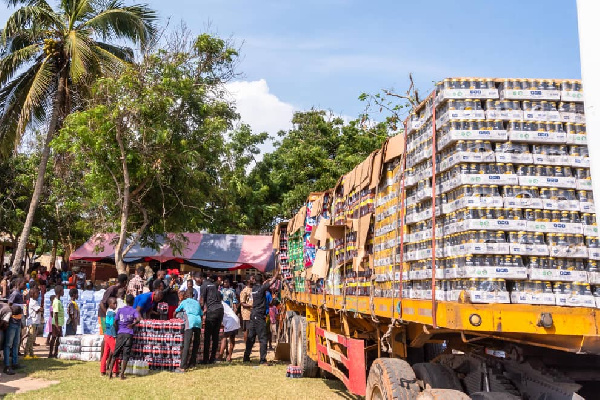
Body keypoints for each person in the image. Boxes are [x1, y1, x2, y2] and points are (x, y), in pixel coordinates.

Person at [243, 273, 279, 365]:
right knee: (263, 338)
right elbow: (271, 282)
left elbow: (266, 283)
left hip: (253, 314)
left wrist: (265, 281)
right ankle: (262, 360)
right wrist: (277, 274)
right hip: (259, 315)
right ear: (262, 281)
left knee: (251, 337)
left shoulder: (254, 288)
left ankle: (246, 357)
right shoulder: (261, 288)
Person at [107, 294, 140, 380]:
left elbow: (114, 322)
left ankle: (110, 373)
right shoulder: (133, 311)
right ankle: (122, 375)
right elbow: (139, 319)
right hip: (129, 334)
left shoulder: (120, 310)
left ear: (126, 301)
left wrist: (118, 329)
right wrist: (133, 324)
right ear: (133, 302)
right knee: (126, 354)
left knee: (115, 353)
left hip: (120, 334)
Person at [174, 289, 202, 372]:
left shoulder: (184, 302)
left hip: (190, 322)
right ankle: (192, 363)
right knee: (196, 344)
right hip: (198, 322)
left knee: (187, 344)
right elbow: (201, 313)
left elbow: (177, 310)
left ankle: (182, 367)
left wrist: (174, 316)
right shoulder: (197, 302)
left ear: (185, 295)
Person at [200, 274, 224, 364]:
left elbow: (202, 302)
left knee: (207, 336)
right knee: (215, 336)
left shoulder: (204, 286)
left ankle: (205, 359)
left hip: (212, 311)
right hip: (220, 310)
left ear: (201, 278)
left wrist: (201, 313)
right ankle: (212, 358)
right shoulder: (215, 286)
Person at [100, 297, 119, 376]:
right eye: (114, 303)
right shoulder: (113, 313)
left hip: (106, 334)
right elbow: (112, 325)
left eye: (116, 303)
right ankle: (115, 371)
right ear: (109, 304)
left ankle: (102, 371)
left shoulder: (108, 311)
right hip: (111, 335)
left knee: (105, 354)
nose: (115, 305)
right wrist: (115, 335)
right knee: (115, 353)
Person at [24, 286, 42, 359]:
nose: (38, 295)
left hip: (34, 322)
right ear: (33, 294)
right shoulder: (33, 302)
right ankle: (26, 353)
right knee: (30, 339)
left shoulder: (34, 301)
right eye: (37, 293)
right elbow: (39, 309)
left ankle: (31, 353)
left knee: (32, 339)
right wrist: (41, 308)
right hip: (32, 322)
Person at [4, 305, 22, 374]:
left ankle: (15, 363)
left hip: (17, 325)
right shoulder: (9, 313)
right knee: (8, 345)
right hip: (12, 326)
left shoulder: (18, 318)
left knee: (16, 344)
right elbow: (5, 321)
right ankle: (7, 366)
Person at [48, 285, 64, 358]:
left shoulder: (58, 301)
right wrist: (57, 325)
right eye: (63, 291)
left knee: (58, 338)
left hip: (59, 322)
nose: (63, 292)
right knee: (55, 337)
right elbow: (56, 313)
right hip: (56, 323)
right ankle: (51, 353)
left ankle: (55, 353)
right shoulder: (56, 302)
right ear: (60, 292)